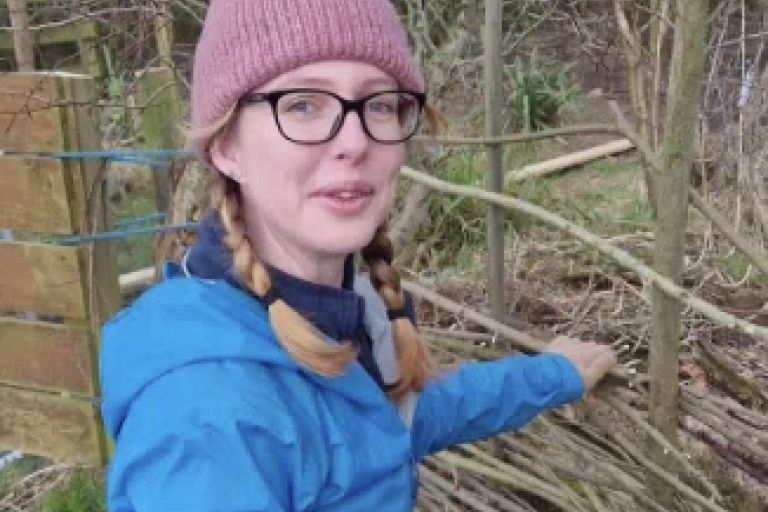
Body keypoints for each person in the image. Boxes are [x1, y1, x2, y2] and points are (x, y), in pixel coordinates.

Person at [99, 1, 618, 510]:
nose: (355, 140)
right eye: (303, 104)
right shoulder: (206, 416)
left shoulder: (345, 308)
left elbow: (391, 418)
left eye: (378, 104)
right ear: (226, 147)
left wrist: (552, 375)